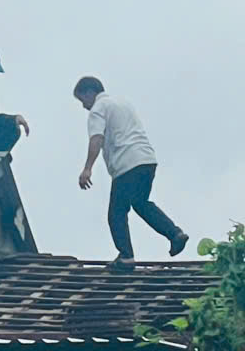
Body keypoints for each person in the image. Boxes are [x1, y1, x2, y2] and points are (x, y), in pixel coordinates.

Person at [73, 76, 188, 272]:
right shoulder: (123, 104)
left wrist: (87, 168)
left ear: (90, 92)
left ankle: (126, 257)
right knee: (141, 204)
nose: (84, 106)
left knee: (116, 213)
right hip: (147, 160)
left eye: (82, 99)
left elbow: (96, 138)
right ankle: (175, 234)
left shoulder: (98, 109)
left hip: (127, 164)